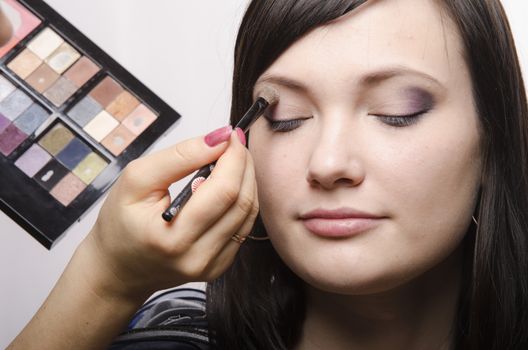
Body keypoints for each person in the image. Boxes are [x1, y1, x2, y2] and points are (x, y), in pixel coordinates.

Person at [8, 0, 528, 349]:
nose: (327, 164)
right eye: (285, 117)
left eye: (398, 109)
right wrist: (106, 279)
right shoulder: (176, 335)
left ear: (493, 133)